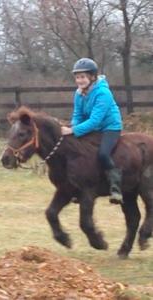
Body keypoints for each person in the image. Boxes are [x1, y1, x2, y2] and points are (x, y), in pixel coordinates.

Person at [61, 58, 123, 205]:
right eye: (77, 77)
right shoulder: (79, 93)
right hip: (92, 128)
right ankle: (78, 187)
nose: (79, 80)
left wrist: (72, 130)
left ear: (92, 77)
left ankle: (116, 188)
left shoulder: (103, 93)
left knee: (102, 154)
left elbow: (95, 120)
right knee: (77, 151)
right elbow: (77, 115)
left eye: (82, 77)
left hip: (109, 128)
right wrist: (74, 127)